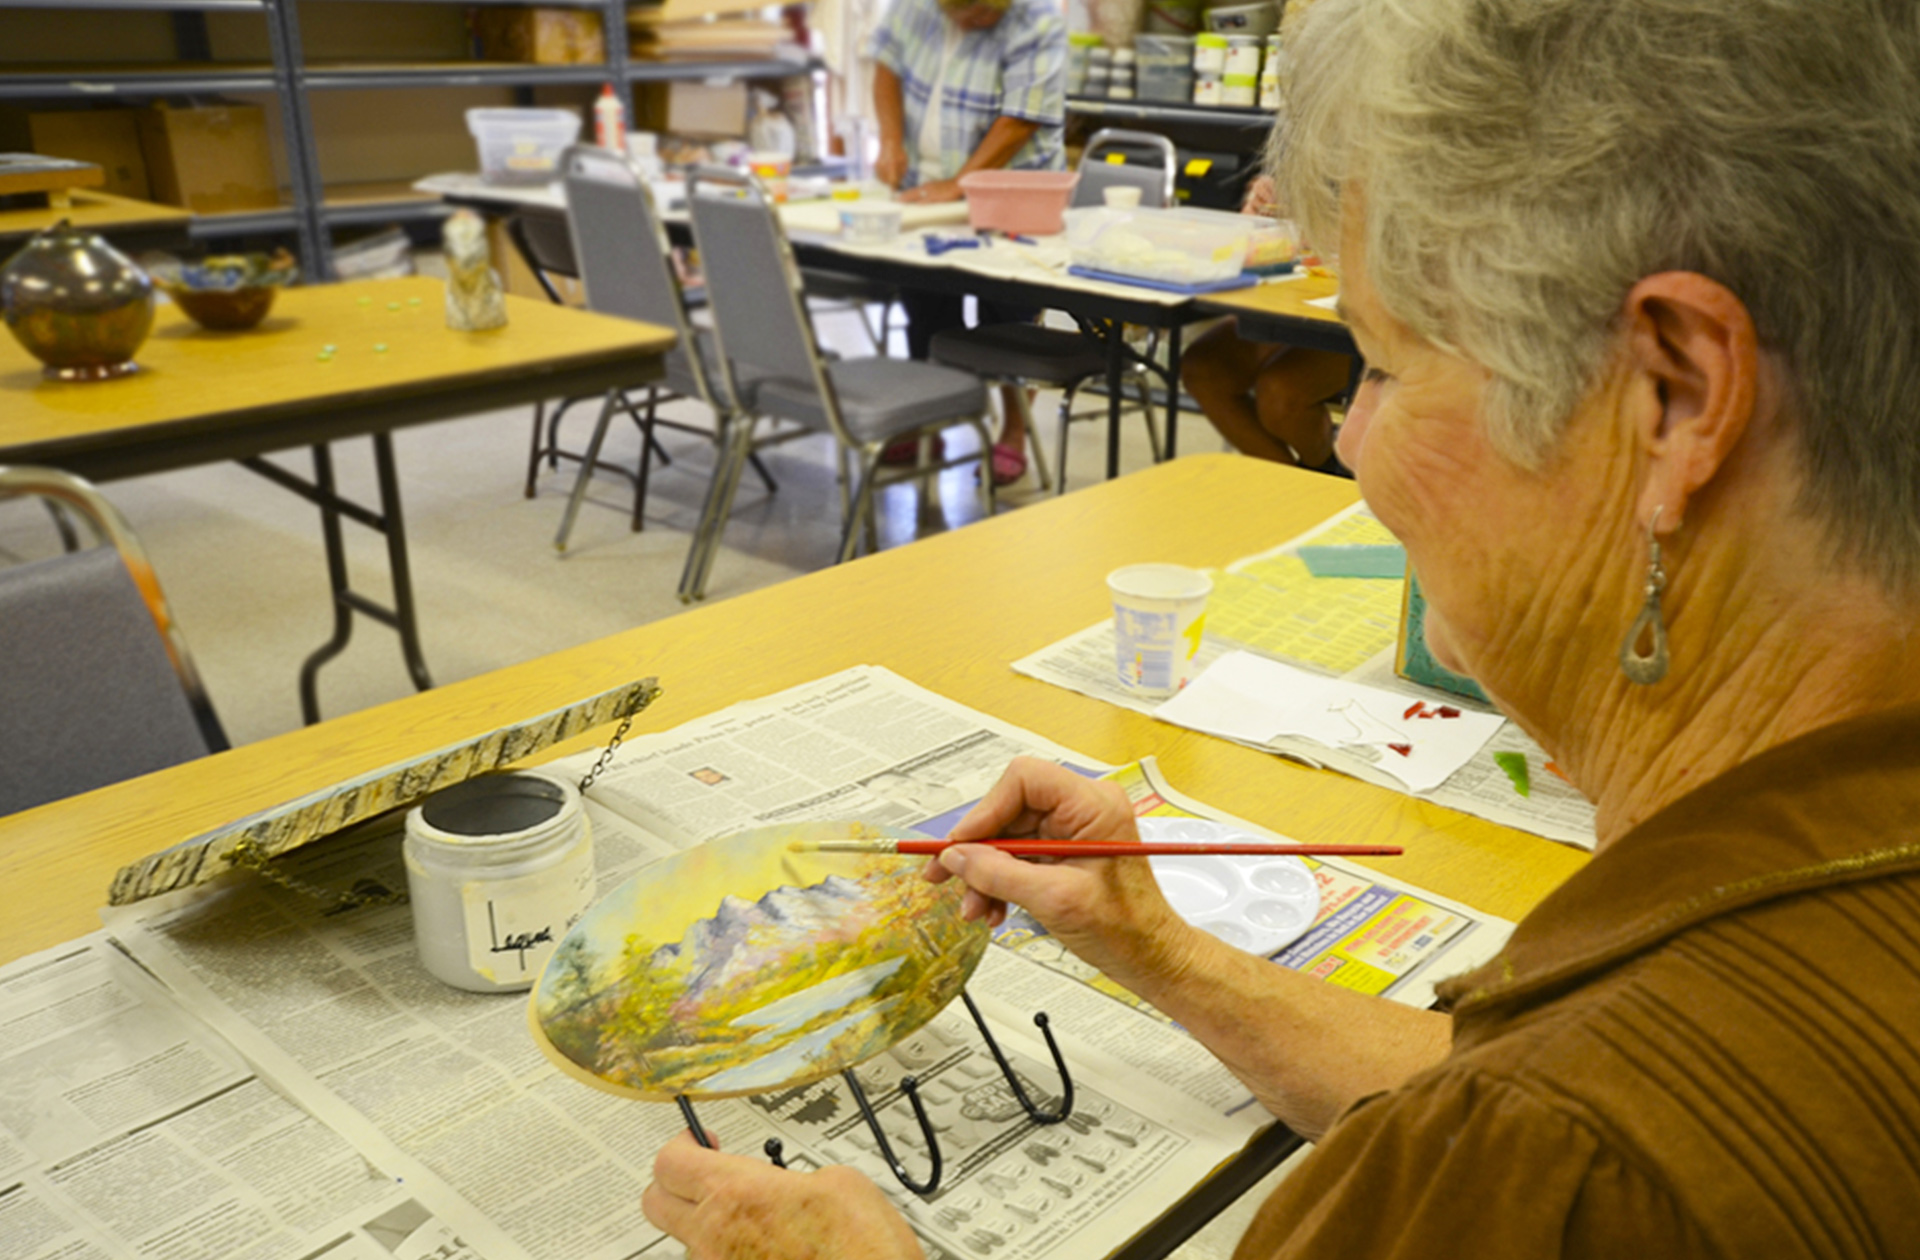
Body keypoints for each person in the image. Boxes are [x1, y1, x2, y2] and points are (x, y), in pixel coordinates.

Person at [641, 0, 1920, 1254]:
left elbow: (1537, 1130)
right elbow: (1488, 1078)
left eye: (1385, 365)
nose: (1348, 439)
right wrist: (1163, 950)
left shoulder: (1566, 1165)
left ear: (1672, 397)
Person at [868, 0, 1068, 485]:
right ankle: (928, 419)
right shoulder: (913, 8)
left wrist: (961, 183)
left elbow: (1020, 119)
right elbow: (887, 68)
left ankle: (1013, 432)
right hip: (926, 191)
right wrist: (890, 141)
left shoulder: (1038, 20)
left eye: (984, 12)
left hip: (1012, 195)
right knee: (926, 309)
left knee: (1009, 318)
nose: (975, 22)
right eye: (964, 12)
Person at [1181, 176, 1354, 471]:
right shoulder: (1305, 152)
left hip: (1366, 314)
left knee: (1282, 394)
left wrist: (1329, 228)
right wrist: (1259, 215)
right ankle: (1296, 488)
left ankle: (1324, 474)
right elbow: (1266, 225)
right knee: (1204, 369)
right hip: (1296, 293)